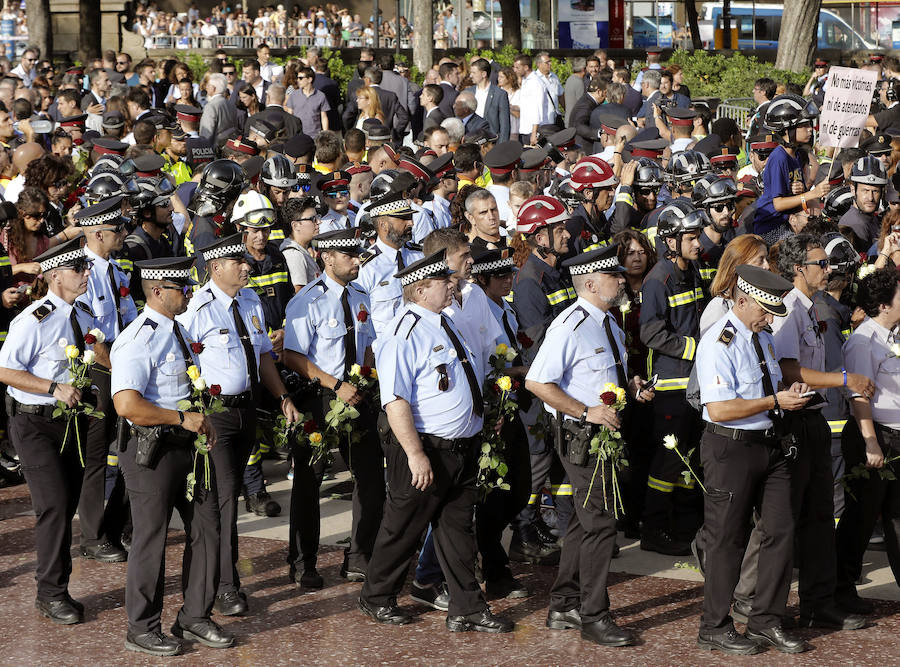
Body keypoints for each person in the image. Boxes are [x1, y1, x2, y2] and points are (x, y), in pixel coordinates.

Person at [358, 248, 513, 634]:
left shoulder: (445, 321)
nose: (453, 284)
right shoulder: (402, 332)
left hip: (461, 446)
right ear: (421, 288)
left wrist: (482, 417)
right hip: (425, 447)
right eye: (445, 281)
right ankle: (377, 596)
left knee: (458, 529)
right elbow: (395, 400)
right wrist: (414, 454)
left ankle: (467, 607)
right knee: (404, 526)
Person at [730, 234, 871, 632]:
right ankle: (746, 599)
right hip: (794, 421)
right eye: (820, 264)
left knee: (819, 516)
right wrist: (841, 379)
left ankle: (818, 603)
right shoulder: (789, 309)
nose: (827, 270)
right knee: (780, 520)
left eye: (827, 263)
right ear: (797, 269)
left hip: (814, 418)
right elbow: (788, 368)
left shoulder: (809, 307)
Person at [527, 244, 654, 647]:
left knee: (585, 523)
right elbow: (538, 382)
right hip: (583, 438)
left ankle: (564, 602)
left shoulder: (608, 322)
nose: (622, 280)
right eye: (614, 276)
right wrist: (585, 412)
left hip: (607, 434)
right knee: (601, 524)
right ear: (593, 283)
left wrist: (632, 385)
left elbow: (610, 371)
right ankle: (594, 615)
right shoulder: (570, 324)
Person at [110, 255, 231, 657]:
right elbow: (127, 404)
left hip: (186, 445)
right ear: (158, 291)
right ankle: (142, 626)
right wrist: (181, 417)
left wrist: (200, 420)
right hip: (152, 448)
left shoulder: (176, 331)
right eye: (181, 288)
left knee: (207, 528)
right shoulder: (138, 337)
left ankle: (194, 615)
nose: (189, 293)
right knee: (151, 537)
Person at [177, 232, 299, 617]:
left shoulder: (250, 300)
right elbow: (182, 361)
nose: (247, 267)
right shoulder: (198, 308)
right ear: (216, 268)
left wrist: (281, 396)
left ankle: (222, 580)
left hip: (248, 410)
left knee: (227, 500)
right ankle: (226, 586)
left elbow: (262, 355)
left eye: (246, 262)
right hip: (215, 415)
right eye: (238, 263)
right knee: (225, 500)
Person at [695, 264, 812, 655]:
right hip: (730, 448)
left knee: (781, 530)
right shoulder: (719, 341)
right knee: (727, 539)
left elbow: (768, 381)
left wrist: (786, 391)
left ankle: (766, 619)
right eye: (764, 311)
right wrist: (774, 400)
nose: (768, 319)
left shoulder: (761, 337)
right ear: (742, 301)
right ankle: (714, 624)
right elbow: (720, 407)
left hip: (770, 442)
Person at [0, 239, 96, 625]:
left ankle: (59, 585)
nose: (86, 275)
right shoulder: (34, 319)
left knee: (68, 500)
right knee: (54, 504)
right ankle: (50, 592)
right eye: (79, 270)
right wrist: (53, 388)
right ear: (55, 275)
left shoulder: (83, 315)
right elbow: (5, 369)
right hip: (32, 421)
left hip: (69, 422)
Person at [284, 227, 383, 586]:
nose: (357, 261)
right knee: (308, 483)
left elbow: (368, 344)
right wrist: (334, 384)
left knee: (370, 478)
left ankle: (358, 556)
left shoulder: (360, 295)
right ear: (327, 257)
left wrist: (366, 379)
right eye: (349, 255)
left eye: (357, 255)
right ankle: (302, 562)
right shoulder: (308, 300)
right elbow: (292, 356)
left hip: (357, 396)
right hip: (320, 398)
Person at [639, 200, 706, 556]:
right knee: (667, 461)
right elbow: (651, 334)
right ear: (670, 241)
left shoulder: (690, 271)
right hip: (670, 387)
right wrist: (695, 348)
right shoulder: (658, 281)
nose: (698, 244)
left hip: (692, 384)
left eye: (697, 236)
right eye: (691, 237)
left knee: (687, 459)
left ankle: (683, 524)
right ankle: (653, 528)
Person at [74, 196, 139, 565]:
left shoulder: (116, 271)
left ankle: (116, 527)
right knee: (96, 456)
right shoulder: (84, 272)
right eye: (119, 229)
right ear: (98, 233)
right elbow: (90, 334)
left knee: (126, 449)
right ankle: (94, 536)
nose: (124, 234)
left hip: (120, 364)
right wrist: (116, 368)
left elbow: (127, 322)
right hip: (100, 370)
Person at [834, 267, 900, 615]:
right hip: (874, 436)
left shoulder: (892, 335)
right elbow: (858, 397)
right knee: (860, 518)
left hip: (896, 436)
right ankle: (841, 589)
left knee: (897, 517)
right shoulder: (864, 341)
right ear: (884, 305)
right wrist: (871, 442)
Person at [355, 191, 423, 337]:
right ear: (383, 225)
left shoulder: (419, 255)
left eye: (410, 217)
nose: (411, 223)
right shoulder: (366, 267)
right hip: (385, 346)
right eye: (403, 218)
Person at [700, 234, 770, 336]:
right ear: (740, 265)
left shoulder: (760, 301)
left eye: (766, 259)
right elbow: (714, 349)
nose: (767, 266)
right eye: (760, 260)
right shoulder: (719, 308)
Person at [280, 196, 321, 291]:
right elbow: (300, 294)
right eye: (313, 219)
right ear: (295, 225)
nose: (319, 222)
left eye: (318, 217)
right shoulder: (294, 255)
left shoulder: (302, 250)